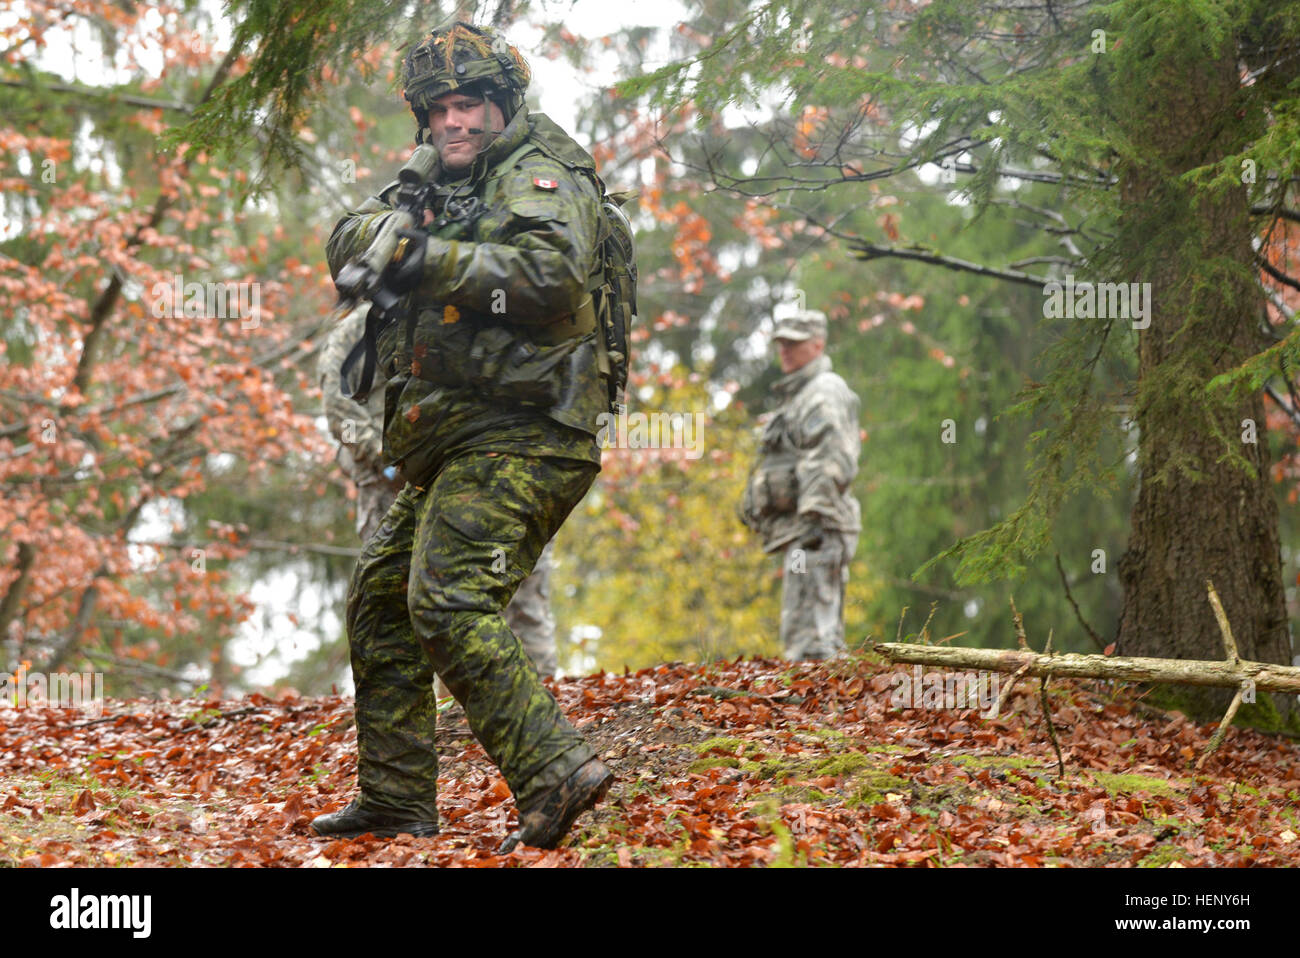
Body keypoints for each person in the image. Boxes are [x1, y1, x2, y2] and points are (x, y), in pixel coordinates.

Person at [312, 21, 615, 852]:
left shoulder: (540, 175)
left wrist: (425, 261)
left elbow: (551, 277)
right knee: (380, 601)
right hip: (459, 437)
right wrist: (386, 239)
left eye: (472, 104)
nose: (457, 122)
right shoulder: (433, 183)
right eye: (441, 108)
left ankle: (557, 769)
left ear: (503, 104)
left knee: (446, 597)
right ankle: (398, 797)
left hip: (530, 429)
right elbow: (350, 236)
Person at [318, 306, 561, 679]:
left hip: (475, 475)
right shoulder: (362, 326)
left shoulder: (463, 306)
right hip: (390, 486)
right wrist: (389, 460)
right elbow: (339, 407)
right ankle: (415, 718)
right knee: (393, 597)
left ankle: (536, 704)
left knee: (511, 593)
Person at [741, 308, 862, 660]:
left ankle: (817, 710)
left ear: (818, 344)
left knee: (812, 641)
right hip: (806, 527)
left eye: (794, 343)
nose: (785, 350)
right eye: (781, 343)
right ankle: (819, 705)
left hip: (817, 528)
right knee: (808, 630)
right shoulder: (802, 393)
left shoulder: (823, 392)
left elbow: (831, 458)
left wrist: (815, 517)